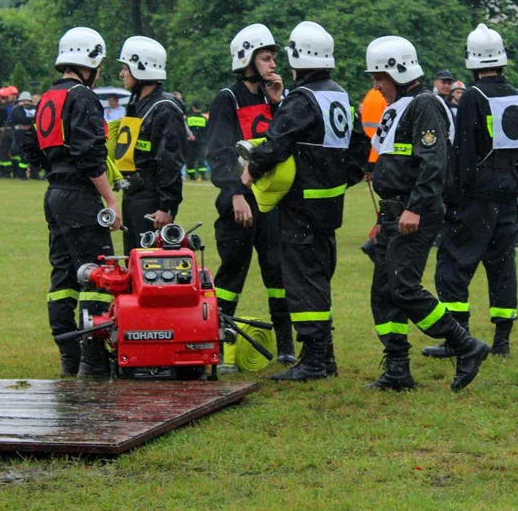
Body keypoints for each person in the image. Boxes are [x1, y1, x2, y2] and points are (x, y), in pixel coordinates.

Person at [362, 35, 490, 391]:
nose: (375, 85)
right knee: (385, 292)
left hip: (412, 214)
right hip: (393, 213)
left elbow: (434, 163)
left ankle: (466, 345)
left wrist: (415, 208)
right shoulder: (399, 106)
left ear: (398, 72)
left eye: (379, 77)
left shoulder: (424, 105)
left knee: (403, 287)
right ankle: (398, 370)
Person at [244, 20, 370, 381]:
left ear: (299, 57)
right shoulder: (339, 95)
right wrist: (340, 179)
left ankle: (314, 360)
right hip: (330, 206)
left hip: (300, 207)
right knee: (318, 276)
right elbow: (361, 146)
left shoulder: (302, 98)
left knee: (302, 280)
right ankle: (324, 357)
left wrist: (252, 168)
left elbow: (276, 143)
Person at [426, 24, 518, 359]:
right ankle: (502, 343)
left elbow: (463, 154)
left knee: (452, 266)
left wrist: (451, 199)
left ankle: (458, 340)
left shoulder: (474, 97)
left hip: (476, 197)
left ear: (471, 60)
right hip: (509, 197)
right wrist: (516, 181)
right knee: (502, 267)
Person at [22, 27, 120, 378]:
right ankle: (94, 361)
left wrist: (56, 168)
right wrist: (109, 197)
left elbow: (30, 147)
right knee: (97, 274)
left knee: (62, 276)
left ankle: (69, 356)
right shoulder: (83, 96)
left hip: (54, 193)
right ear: (91, 61)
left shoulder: (48, 97)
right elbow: (90, 153)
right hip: (80, 194)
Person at [206, 23, 295, 366]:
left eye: (273, 59)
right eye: (267, 58)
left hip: (271, 203)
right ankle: (215, 342)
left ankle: (286, 344)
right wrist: (235, 194)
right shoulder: (227, 98)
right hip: (240, 202)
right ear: (247, 59)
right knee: (232, 273)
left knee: (278, 272)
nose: (274, 65)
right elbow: (219, 151)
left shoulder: (274, 99)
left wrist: (278, 104)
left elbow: (281, 144)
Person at [112, 37, 187, 253]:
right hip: (132, 194)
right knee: (132, 261)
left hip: (151, 199)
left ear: (140, 68)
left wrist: (166, 206)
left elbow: (170, 160)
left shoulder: (164, 107)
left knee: (149, 263)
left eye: (125, 68)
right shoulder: (138, 104)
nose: (121, 74)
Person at [8, 91, 38, 179]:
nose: (25, 102)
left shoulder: (35, 108)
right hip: (21, 134)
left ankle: (34, 173)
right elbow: (21, 118)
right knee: (23, 154)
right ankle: (22, 174)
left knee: (35, 154)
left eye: (27, 100)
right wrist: (30, 120)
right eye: (23, 100)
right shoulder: (17, 109)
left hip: (33, 133)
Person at [185, 101, 209, 181]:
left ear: (193, 108)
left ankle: (192, 176)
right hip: (201, 143)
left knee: (190, 160)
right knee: (201, 160)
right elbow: (207, 133)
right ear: (200, 108)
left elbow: (185, 130)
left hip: (190, 143)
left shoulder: (189, 118)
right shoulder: (204, 119)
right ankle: (203, 176)